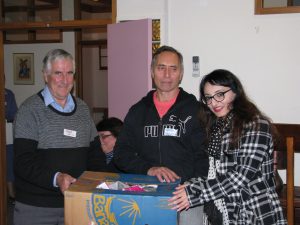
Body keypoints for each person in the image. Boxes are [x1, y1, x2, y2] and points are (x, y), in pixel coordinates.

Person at [169, 69, 287, 225]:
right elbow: (217, 174)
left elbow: (241, 176)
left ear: (235, 92)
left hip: (253, 211)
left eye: (220, 94)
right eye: (208, 98)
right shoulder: (217, 126)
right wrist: (192, 184)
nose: (214, 103)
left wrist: (193, 193)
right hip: (227, 207)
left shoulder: (256, 125)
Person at [113, 45, 208, 225]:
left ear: (181, 74)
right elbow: (121, 154)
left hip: (186, 199)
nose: (167, 75)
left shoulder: (195, 110)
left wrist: (191, 188)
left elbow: (204, 156)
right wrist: (149, 169)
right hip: (146, 198)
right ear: (152, 72)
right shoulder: (137, 111)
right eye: (161, 68)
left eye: (173, 69)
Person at [13, 49, 108, 225]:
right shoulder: (29, 110)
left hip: (78, 203)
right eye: (58, 73)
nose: (64, 80)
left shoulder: (83, 109)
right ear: (45, 75)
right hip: (36, 208)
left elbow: (96, 155)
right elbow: (23, 162)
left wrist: (97, 182)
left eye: (69, 73)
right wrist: (57, 178)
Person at [5, 82, 18, 201]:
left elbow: (13, 114)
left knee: (9, 161)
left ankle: (11, 193)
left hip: (6, 133)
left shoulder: (8, 94)